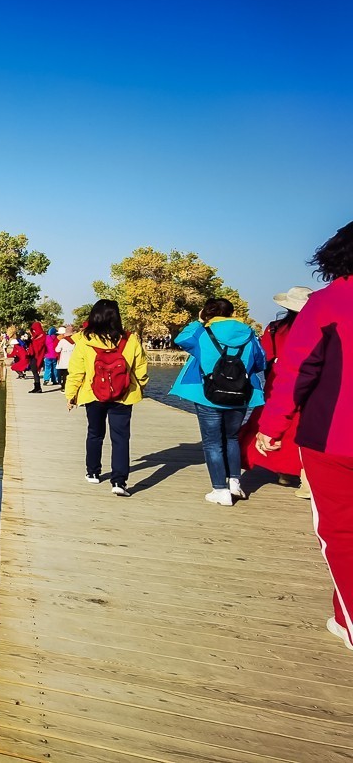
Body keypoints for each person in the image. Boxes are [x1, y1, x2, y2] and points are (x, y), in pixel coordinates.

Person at [256, 221, 353, 652]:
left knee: (342, 533)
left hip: (334, 441)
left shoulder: (330, 301)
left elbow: (298, 371)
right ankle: (341, 614)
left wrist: (271, 428)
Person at [170, 298, 266, 506]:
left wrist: (198, 321)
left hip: (207, 394)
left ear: (207, 312)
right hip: (240, 394)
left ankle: (219, 490)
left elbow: (181, 339)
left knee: (212, 442)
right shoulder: (249, 334)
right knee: (231, 437)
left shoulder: (202, 332)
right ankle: (234, 483)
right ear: (231, 313)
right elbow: (261, 362)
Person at [64, 299, 149, 497]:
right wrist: (140, 387)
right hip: (123, 395)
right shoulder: (130, 339)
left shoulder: (84, 341)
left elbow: (76, 371)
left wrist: (71, 395)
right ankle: (119, 482)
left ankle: (93, 472)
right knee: (120, 438)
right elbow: (141, 369)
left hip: (93, 394)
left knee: (95, 433)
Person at [238, 286, 313, 497]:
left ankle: (283, 472)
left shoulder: (274, 329)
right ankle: (304, 476)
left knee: (275, 422)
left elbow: (264, 358)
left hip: (278, 379)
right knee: (304, 426)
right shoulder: (317, 327)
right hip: (311, 379)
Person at [28, 321, 47, 393]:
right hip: (33, 355)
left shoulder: (42, 335)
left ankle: (38, 387)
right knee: (34, 371)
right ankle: (36, 387)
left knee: (35, 371)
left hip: (38, 356)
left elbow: (39, 346)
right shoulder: (36, 336)